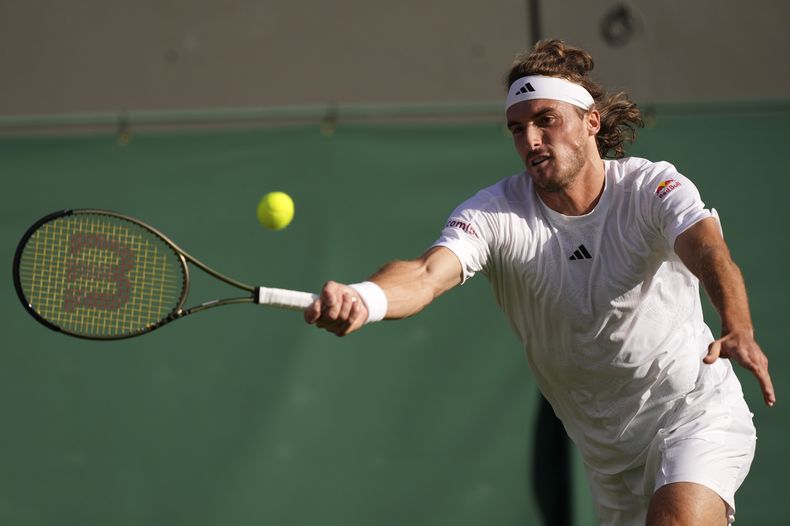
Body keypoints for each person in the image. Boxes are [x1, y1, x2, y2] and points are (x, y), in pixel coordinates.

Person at [304, 39, 775, 525]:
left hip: (694, 414)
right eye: (517, 128)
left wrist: (737, 323)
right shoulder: (493, 214)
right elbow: (426, 274)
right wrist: (365, 298)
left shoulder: (652, 187)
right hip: (608, 458)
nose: (529, 139)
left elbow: (709, 249)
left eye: (545, 119)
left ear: (591, 121)